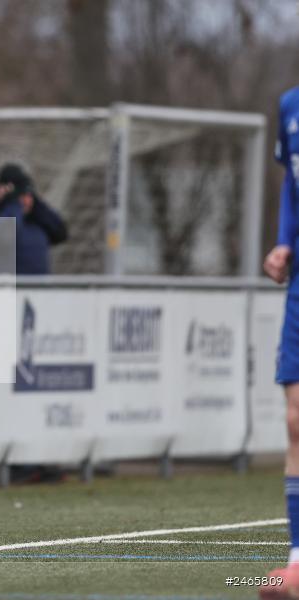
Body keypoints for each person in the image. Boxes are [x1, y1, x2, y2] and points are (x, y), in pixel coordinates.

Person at [262, 85, 299, 600]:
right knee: (296, 417)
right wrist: (284, 240)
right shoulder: (290, 105)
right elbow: (292, 183)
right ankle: (297, 560)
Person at [0, 163, 68, 275]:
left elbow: (61, 233)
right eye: (21, 196)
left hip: (37, 291)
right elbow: (2, 237)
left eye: (29, 195)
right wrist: (12, 203)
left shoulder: (36, 217)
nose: (27, 201)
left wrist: (37, 203)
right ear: (0, 190)